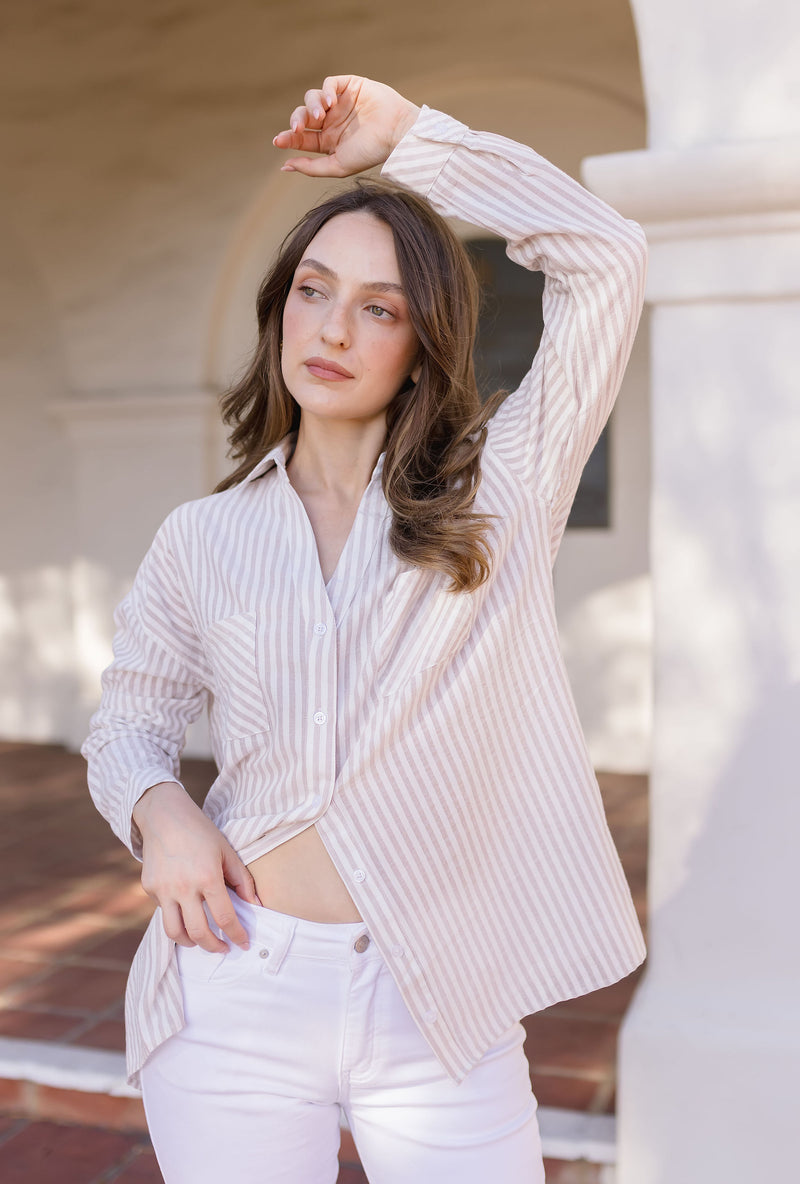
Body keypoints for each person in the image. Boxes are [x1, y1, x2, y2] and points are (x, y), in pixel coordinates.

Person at [83, 75, 647, 1184]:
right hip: (234, 984)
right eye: (312, 290)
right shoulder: (201, 537)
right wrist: (162, 816)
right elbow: (130, 720)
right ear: (279, 310)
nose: (333, 328)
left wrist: (406, 142)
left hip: (437, 992)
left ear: (420, 339)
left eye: (378, 307)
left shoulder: (502, 491)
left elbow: (607, 254)